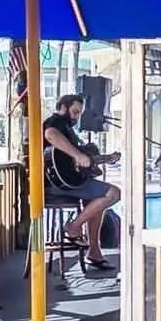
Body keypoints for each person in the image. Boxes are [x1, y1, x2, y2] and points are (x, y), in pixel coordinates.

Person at [42, 93, 117, 272]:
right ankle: (73, 228)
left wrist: (104, 159)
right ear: (63, 107)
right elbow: (50, 134)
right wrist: (78, 155)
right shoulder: (56, 122)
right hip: (57, 184)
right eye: (75, 112)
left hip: (66, 182)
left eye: (79, 114)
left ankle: (94, 252)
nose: (76, 117)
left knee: (97, 202)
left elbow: (77, 160)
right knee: (114, 193)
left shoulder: (68, 129)